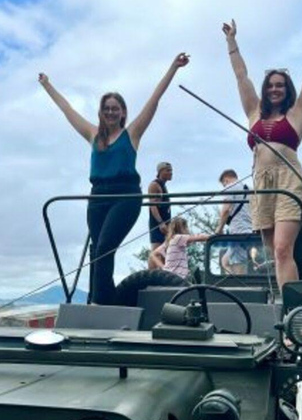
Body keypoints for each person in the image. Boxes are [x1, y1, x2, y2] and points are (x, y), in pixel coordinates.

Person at [38, 53, 190, 304]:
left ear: (122, 113)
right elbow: (67, 110)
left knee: (104, 248)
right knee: (95, 251)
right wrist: (47, 85)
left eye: (115, 109)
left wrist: (173, 67)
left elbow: (155, 99)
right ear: (101, 112)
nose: (110, 112)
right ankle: (100, 301)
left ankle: (99, 304)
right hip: (98, 196)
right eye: (106, 108)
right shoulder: (92, 134)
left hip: (125, 195)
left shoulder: (132, 133)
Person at [222, 6, 302, 290]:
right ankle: (291, 299)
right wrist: (231, 42)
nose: (275, 89)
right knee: (277, 254)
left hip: (288, 182)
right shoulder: (254, 112)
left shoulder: (297, 113)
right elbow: (242, 77)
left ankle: (292, 310)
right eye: (270, 86)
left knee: (281, 249)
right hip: (262, 184)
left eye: (280, 85)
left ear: (287, 89)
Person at [215, 169, 253, 274]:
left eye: (223, 184)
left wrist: (220, 228)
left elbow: (226, 209)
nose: (224, 186)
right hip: (249, 228)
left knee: (237, 264)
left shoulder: (230, 187)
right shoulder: (249, 188)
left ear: (226, 179)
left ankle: (239, 287)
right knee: (225, 261)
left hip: (238, 230)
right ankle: (234, 283)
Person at [148, 162, 173, 253]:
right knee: (156, 250)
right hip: (158, 223)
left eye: (171, 171)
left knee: (165, 250)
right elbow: (152, 205)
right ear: (161, 171)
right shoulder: (154, 185)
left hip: (166, 221)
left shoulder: (164, 186)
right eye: (168, 170)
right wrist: (160, 223)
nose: (171, 173)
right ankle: (152, 268)